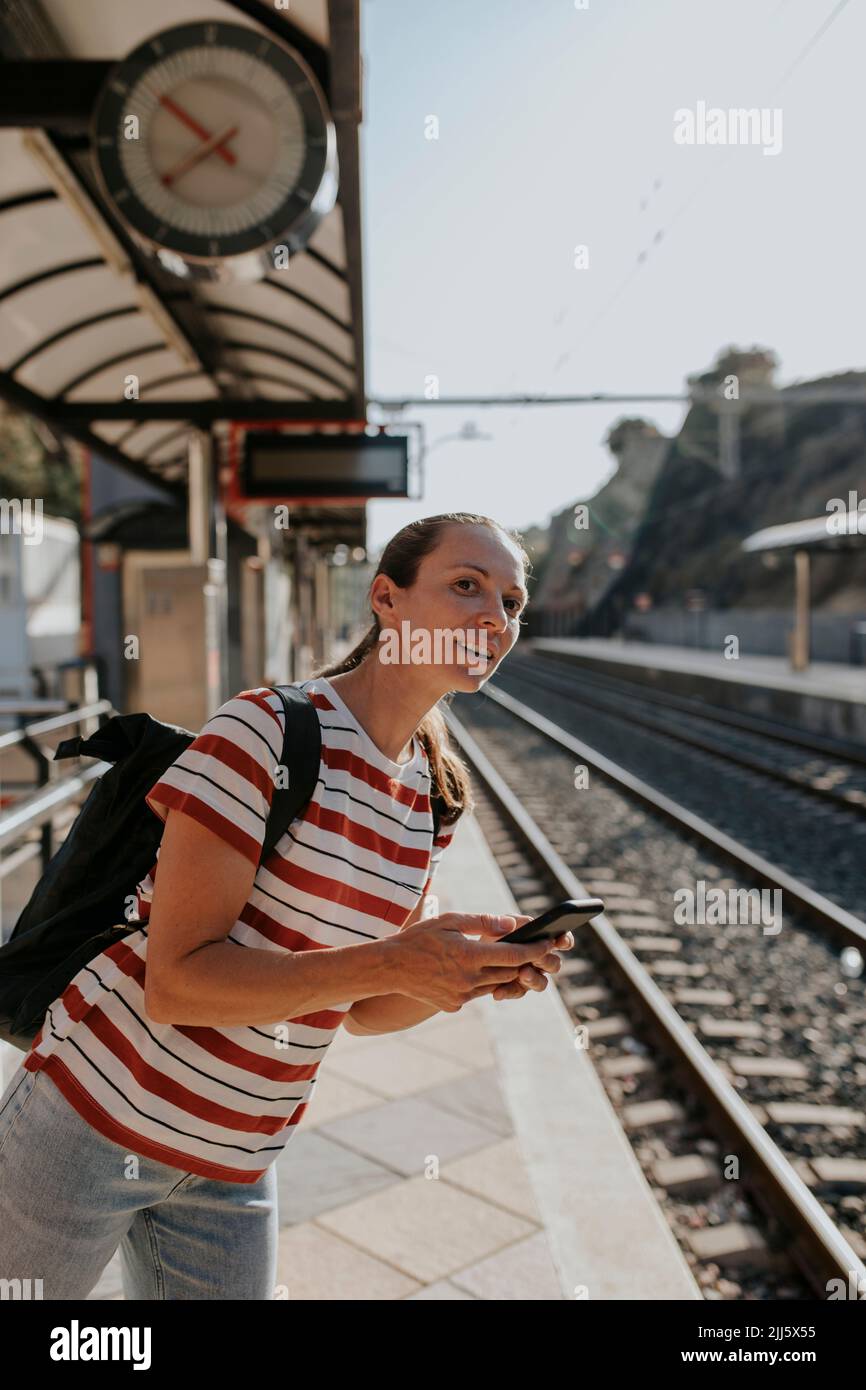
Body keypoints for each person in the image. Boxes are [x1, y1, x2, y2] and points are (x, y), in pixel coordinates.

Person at [0, 512, 572, 1300]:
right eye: (466, 586)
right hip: (95, 1117)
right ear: (387, 600)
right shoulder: (266, 731)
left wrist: (449, 980)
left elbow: (363, 1008)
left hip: (236, 1159)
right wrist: (395, 959)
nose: (494, 617)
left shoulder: (432, 797)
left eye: (512, 602)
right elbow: (179, 982)